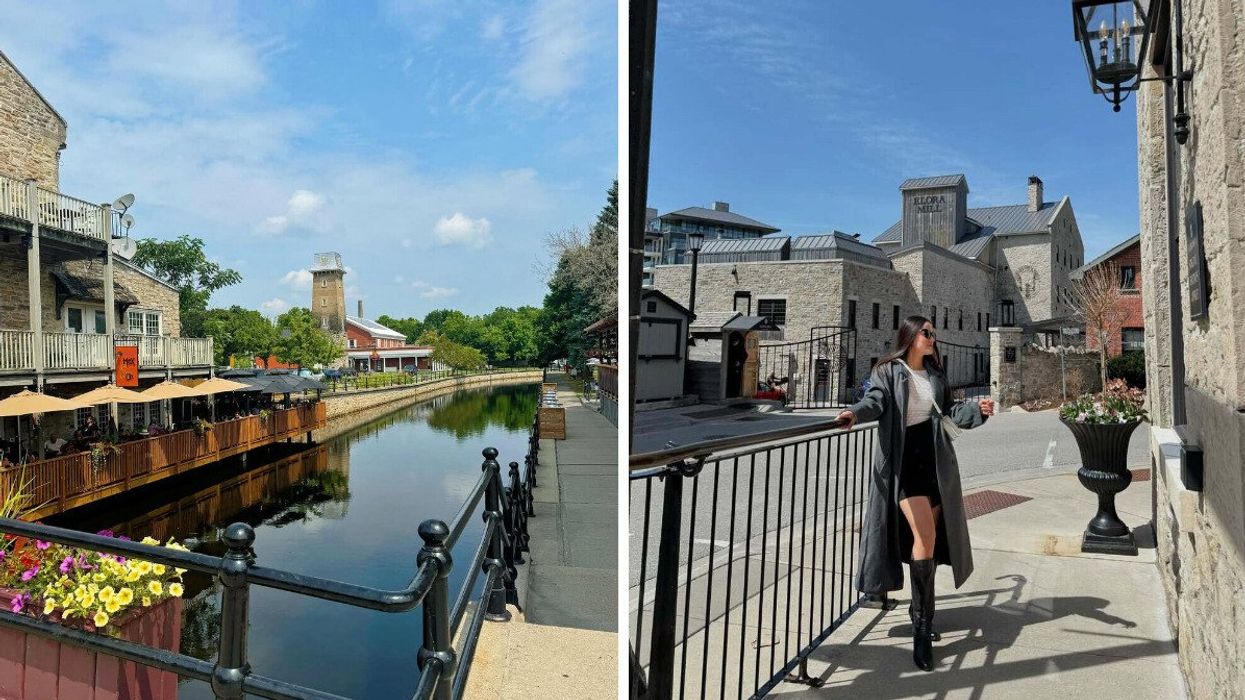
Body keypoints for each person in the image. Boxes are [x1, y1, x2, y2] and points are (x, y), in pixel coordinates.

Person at [836, 316, 995, 672]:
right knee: (924, 534)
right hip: (904, 464)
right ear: (909, 336)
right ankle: (922, 629)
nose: (932, 338)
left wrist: (978, 412)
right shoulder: (888, 371)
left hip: (936, 463)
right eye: (926, 333)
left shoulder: (936, 374)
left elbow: (950, 411)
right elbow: (874, 401)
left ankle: (920, 612)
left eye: (933, 334)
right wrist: (855, 414)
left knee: (932, 540)